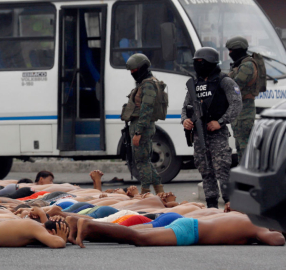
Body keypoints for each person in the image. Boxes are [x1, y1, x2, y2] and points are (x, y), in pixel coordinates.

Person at [182, 47, 242, 208]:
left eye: (202, 63)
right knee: (205, 170)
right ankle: (211, 207)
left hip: (217, 135)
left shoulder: (225, 81)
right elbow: (186, 107)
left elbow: (236, 105)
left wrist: (220, 122)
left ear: (211, 63)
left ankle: (231, 205)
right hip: (199, 135)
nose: (198, 66)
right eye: (196, 63)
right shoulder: (194, 83)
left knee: (222, 170)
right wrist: (185, 120)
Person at [71, 214, 285, 247]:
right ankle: (89, 225)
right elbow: (276, 240)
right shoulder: (259, 227)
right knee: (138, 238)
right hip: (190, 231)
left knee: (138, 235)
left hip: (188, 223)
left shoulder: (247, 215)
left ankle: (87, 231)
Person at [120, 53, 164, 195]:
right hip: (140, 126)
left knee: (142, 162)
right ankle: (160, 192)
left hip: (142, 127)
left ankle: (145, 194)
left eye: (135, 70)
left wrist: (138, 132)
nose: (133, 73)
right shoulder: (146, 83)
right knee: (145, 161)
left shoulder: (148, 85)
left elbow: (146, 110)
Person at [226, 36, 261, 162]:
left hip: (245, 111)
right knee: (240, 147)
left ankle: (248, 175)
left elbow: (235, 86)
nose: (229, 53)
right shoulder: (240, 65)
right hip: (239, 111)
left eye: (231, 50)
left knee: (245, 147)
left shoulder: (247, 66)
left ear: (239, 50)